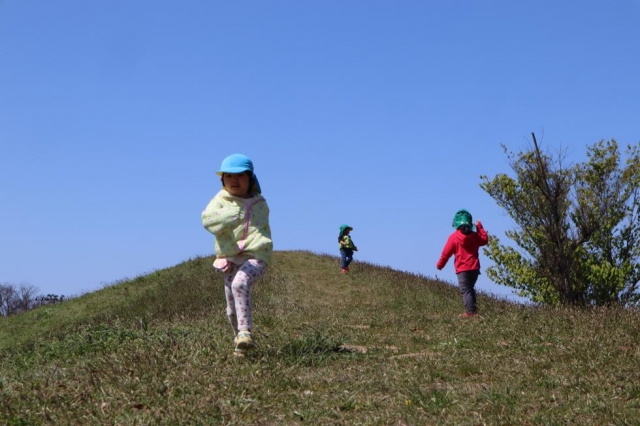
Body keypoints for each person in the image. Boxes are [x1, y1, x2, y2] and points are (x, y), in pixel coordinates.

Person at [201, 153, 273, 357]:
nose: (234, 180)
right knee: (231, 309)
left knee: (239, 284)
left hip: (256, 255)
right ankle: (240, 343)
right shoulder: (220, 200)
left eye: (241, 175)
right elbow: (208, 221)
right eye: (229, 176)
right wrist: (233, 214)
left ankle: (245, 332)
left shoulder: (260, 203)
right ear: (222, 179)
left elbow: (261, 229)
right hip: (229, 258)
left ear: (250, 178)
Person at [436, 209, 489, 317]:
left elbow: (446, 253)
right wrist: (480, 227)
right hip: (474, 268)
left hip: (462, 269)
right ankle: (473, 310)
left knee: (466, 290)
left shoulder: (453, 238)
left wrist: (440, 265)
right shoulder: (475, 236)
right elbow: (484, 240)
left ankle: (470, 313)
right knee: (469, 289)